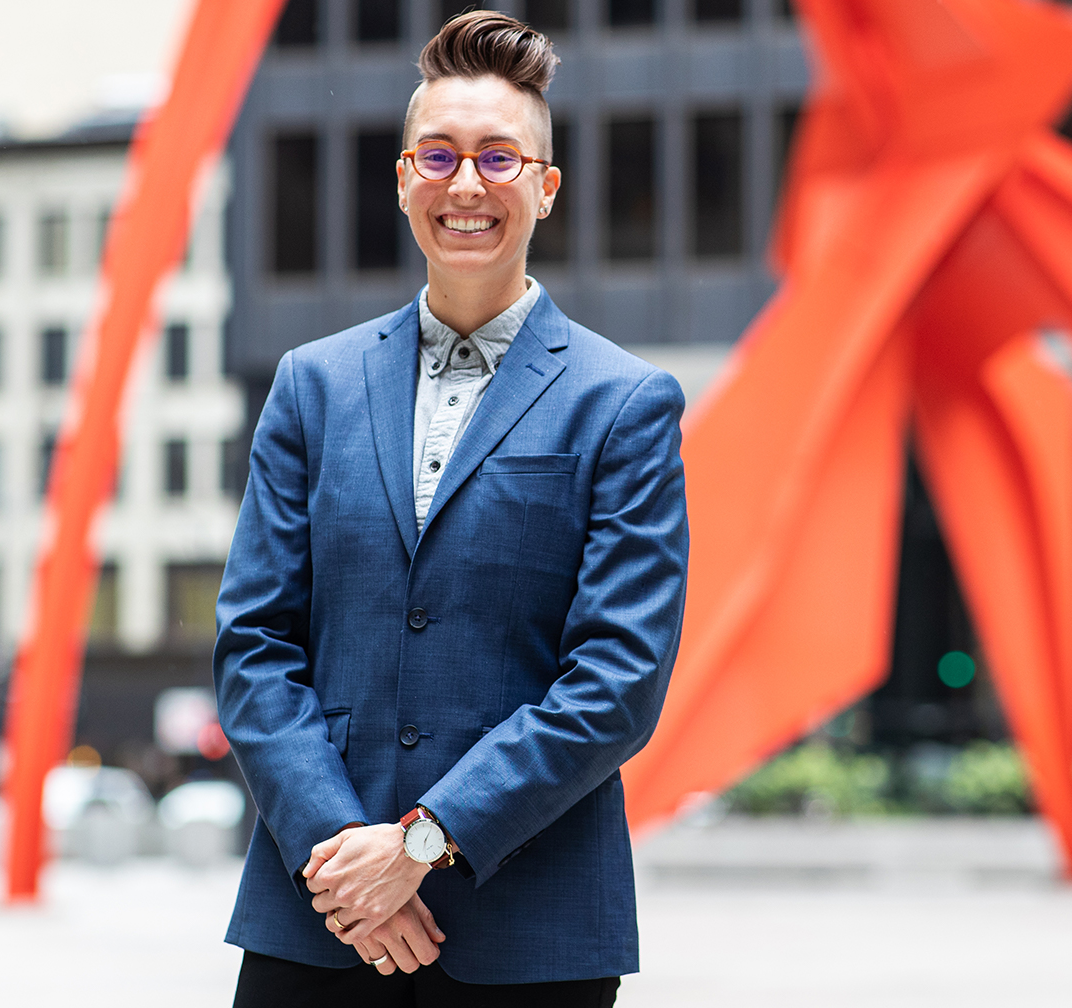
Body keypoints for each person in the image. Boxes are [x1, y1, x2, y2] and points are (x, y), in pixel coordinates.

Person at [215, 11, 690, 1006]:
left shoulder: (625, 403)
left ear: (546, 188)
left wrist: (422, 844)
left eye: (498, 158)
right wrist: (347, 855)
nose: (465, 184)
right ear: (401, 179)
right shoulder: (312, 385)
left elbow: (615, 679)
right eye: (438, 155)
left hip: (533, 933)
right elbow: (254, 645)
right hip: (318, 916)